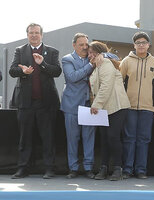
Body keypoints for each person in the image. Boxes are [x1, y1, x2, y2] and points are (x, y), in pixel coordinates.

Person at [9, 23, 61, 179]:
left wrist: (42, 64)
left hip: (46, 103)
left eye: (36, 33)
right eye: (31, 33)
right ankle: (22, 168)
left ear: (42, 35)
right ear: (27, 34)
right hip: (25, 103)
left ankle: (49, 168)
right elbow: (12, 71)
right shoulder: (20, 50)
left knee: (48, 137)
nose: (33, 35)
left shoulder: (52, 52)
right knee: (25, 138)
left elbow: (57, 71)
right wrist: (23, 71)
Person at [120, 32, 154, 179]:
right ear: (134, 45)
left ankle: (141, 170)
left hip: (148, 108)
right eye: (138, 43)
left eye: (144, 42)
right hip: (129, 107)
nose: (141, 45)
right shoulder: (126, 61)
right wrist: (122, 105)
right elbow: (119, 84)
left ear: (148, 44)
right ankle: (127, 169)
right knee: (129, 138)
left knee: (144, 139)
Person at [88, 41, 130, 181]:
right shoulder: (96, 66)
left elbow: (106, 86)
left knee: (113, 137)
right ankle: (104, 168)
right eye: (88, 53)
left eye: (91, 52)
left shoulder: (106, 63)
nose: (89, 55)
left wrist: (96, 104)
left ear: (98, 52)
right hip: (104, 108)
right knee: (104, 139)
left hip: (117, 106)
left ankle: (118, 169)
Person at [61, 33, 96, 179]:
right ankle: (73, 168)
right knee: (73, 138)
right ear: (74, 45)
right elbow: (72, 77)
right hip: (72, 105)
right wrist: (90, 66)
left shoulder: (94, 58)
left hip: (89, 104)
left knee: (89, 138)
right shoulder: (67, 59)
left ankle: (89, 168)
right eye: (81, 44)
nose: (84, 47)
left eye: (86, 44)